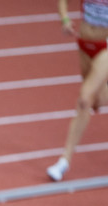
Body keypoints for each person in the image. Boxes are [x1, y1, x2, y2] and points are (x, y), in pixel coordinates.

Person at [47, 0, 108, 181]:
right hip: (84, 43)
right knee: (95, 102)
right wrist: (64, 19)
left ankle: (64, 161)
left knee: (84, 99)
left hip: (106, 47)